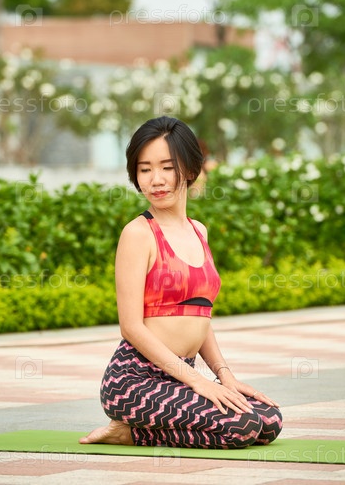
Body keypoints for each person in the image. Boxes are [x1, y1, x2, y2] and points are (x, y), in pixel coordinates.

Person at [80, 116, 282, 449]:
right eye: (145, 169)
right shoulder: (138, 234)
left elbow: (201, 317)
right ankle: (130, 432)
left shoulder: (199, 231)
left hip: (179, 377)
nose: (156, 180)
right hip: (135, 380)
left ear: (188, 169)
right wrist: (198, 382)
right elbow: (131, 326)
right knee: (242, 427)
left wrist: (224, 376)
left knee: (269, 420)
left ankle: (133, 431)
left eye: (167, 168)